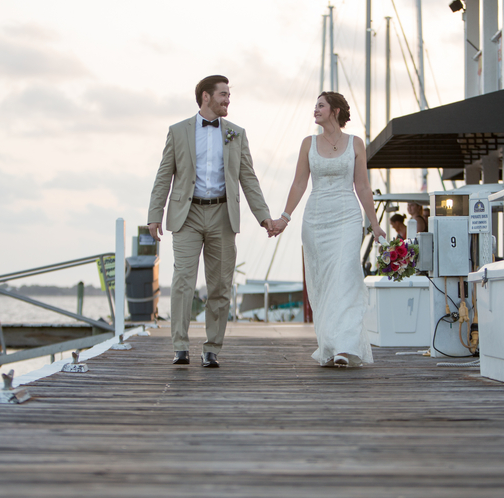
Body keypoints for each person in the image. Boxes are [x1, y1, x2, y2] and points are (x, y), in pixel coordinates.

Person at [148, 75, 274, 368]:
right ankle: (180, 346)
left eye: (229, 95)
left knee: (219, 284)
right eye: (223, 94)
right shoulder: (178, 131)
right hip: (187, 215)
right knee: (183, 282)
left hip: (222, 215)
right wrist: (155, 213)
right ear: (206, 96)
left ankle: (212, 348)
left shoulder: (236, 133)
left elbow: (248, 178)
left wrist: (264, 216)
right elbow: (164, 174)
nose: (228, 100)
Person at [269, 91, 386, 368]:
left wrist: (375, 223)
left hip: (346, 217)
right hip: (316, 219)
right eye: (315, 106)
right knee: (322, 283)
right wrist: (285, 217)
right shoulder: (308, 144)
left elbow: (363, 187)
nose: (315, 110)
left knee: (345, 276)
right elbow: (299, 184)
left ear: (334, 110)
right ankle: (331, 344)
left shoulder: (356, 144)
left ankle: (344, 346)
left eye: (320, 106)